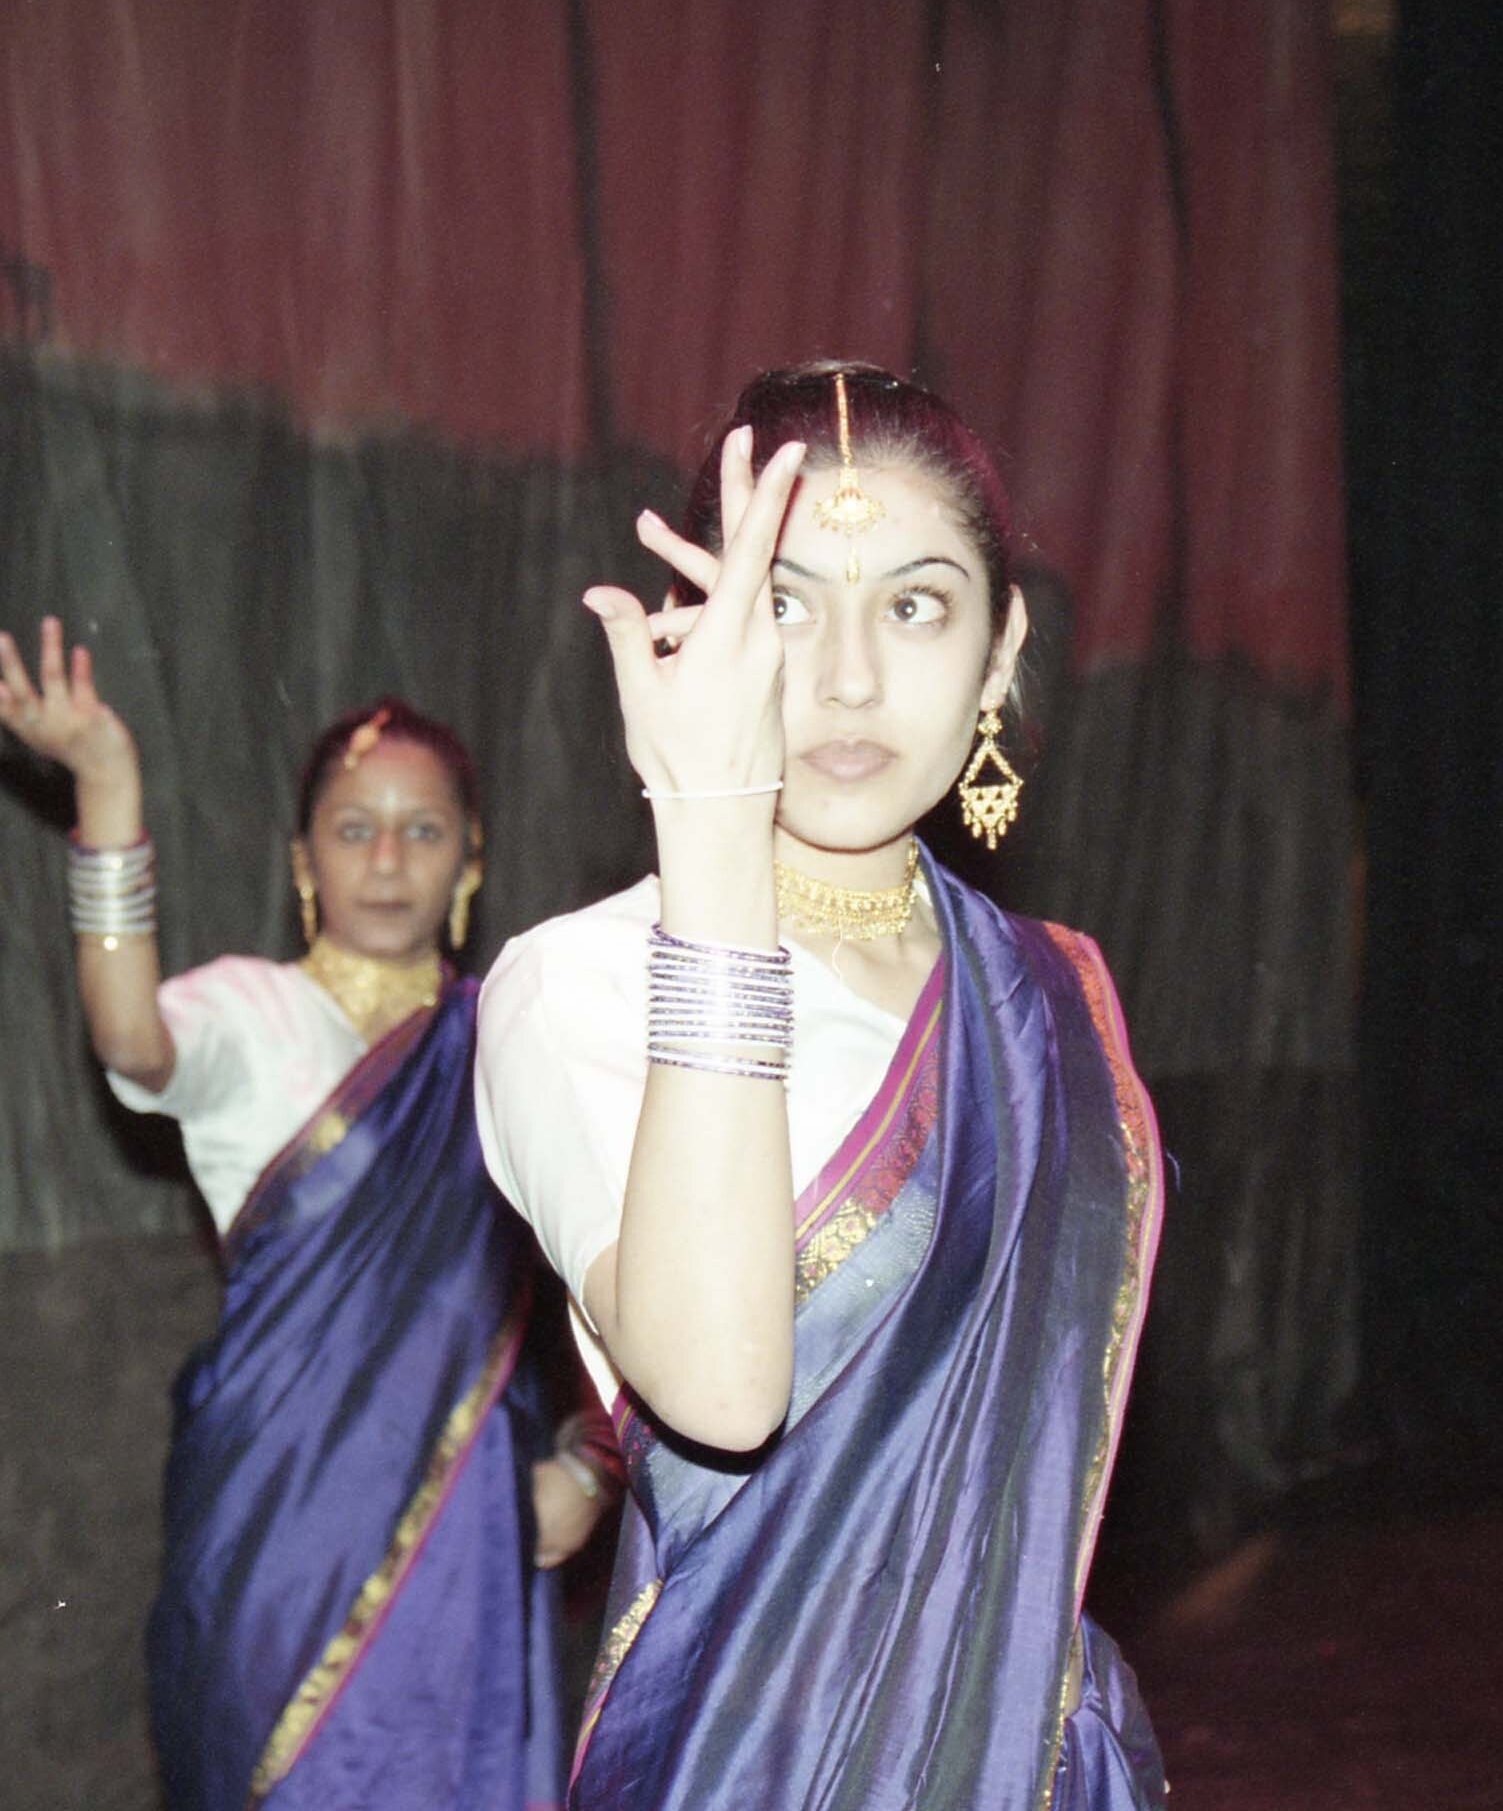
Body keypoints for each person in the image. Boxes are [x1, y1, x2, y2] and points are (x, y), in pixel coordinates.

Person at [475, 364, 1168, 1808]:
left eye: (914, 608)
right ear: (697, 634)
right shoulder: (575, 986)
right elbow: (721, 1389)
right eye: (784, 607)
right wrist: (711, 831)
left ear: (999, 653)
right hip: (748, 1763)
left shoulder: (1056, 995)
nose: (849, 680)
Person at [0, 629, 611, 1811]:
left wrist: (595, 1457)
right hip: (274, 1520)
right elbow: (130, 1037)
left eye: (423, 831)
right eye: (354, 829)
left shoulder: (518, 1041)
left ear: (470, 861)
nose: (388, 861)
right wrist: (107, 788)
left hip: (465, 1528)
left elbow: (630, 1267)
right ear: (303, 859)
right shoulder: (247, 1014)